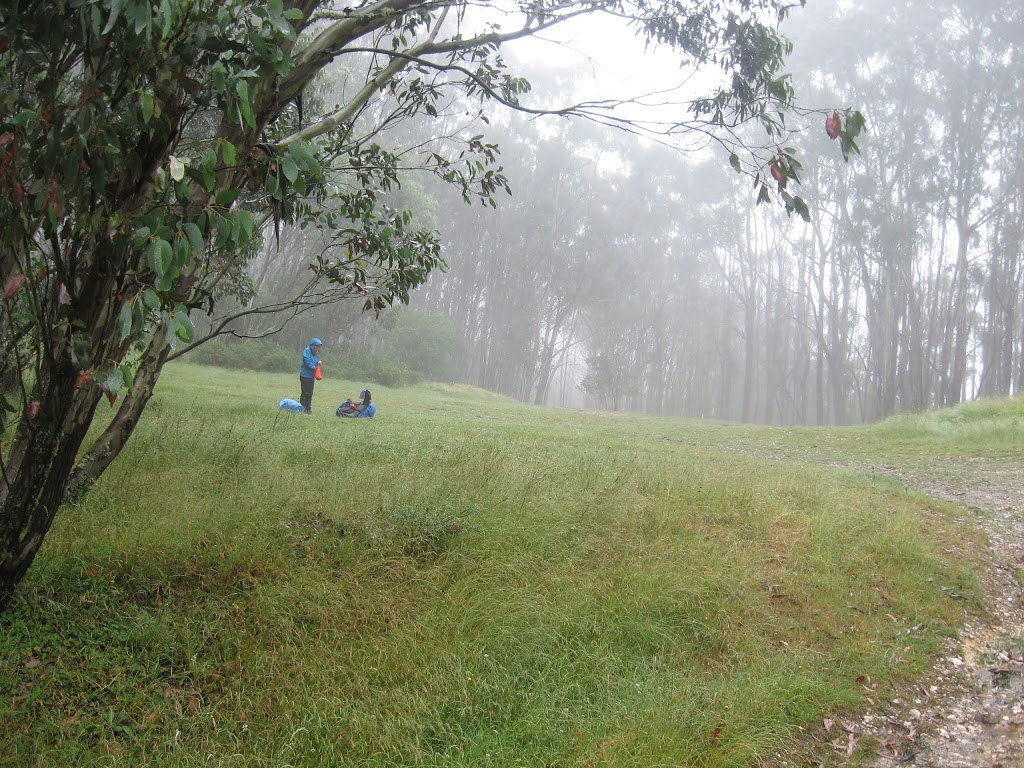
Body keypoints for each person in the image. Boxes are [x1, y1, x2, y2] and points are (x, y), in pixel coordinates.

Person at [298, 337, 323, 414]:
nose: (318, 348)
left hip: (311, 376)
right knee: (305, 393)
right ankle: (302, 408)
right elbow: (308, 363)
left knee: (310, 393)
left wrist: (318, 363)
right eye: (317, 346)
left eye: (319, 347)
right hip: (305, 375)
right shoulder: (307, 351)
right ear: (313, 345)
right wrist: (315, 368)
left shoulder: (315, 353)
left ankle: (308, 409)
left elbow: (315, 362)